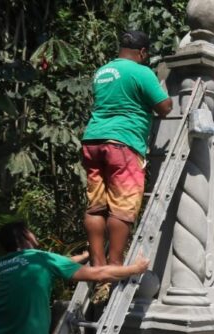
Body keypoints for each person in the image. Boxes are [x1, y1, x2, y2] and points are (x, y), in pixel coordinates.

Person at [81, 30, 172, 271]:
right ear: (143, 52)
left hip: (92, 141)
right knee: (122, 207)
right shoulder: (141, 72)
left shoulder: (102, 72)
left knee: (96, 205)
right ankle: (114, 266)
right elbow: (164, 108)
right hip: (123, 143)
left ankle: (97, 264)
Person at [0, 221, 149, 334]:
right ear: (26, 235)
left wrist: (85, 256)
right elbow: (98, 274)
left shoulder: (1, 266)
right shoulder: (41, 259)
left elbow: (59, 263)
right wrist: (134, 269)